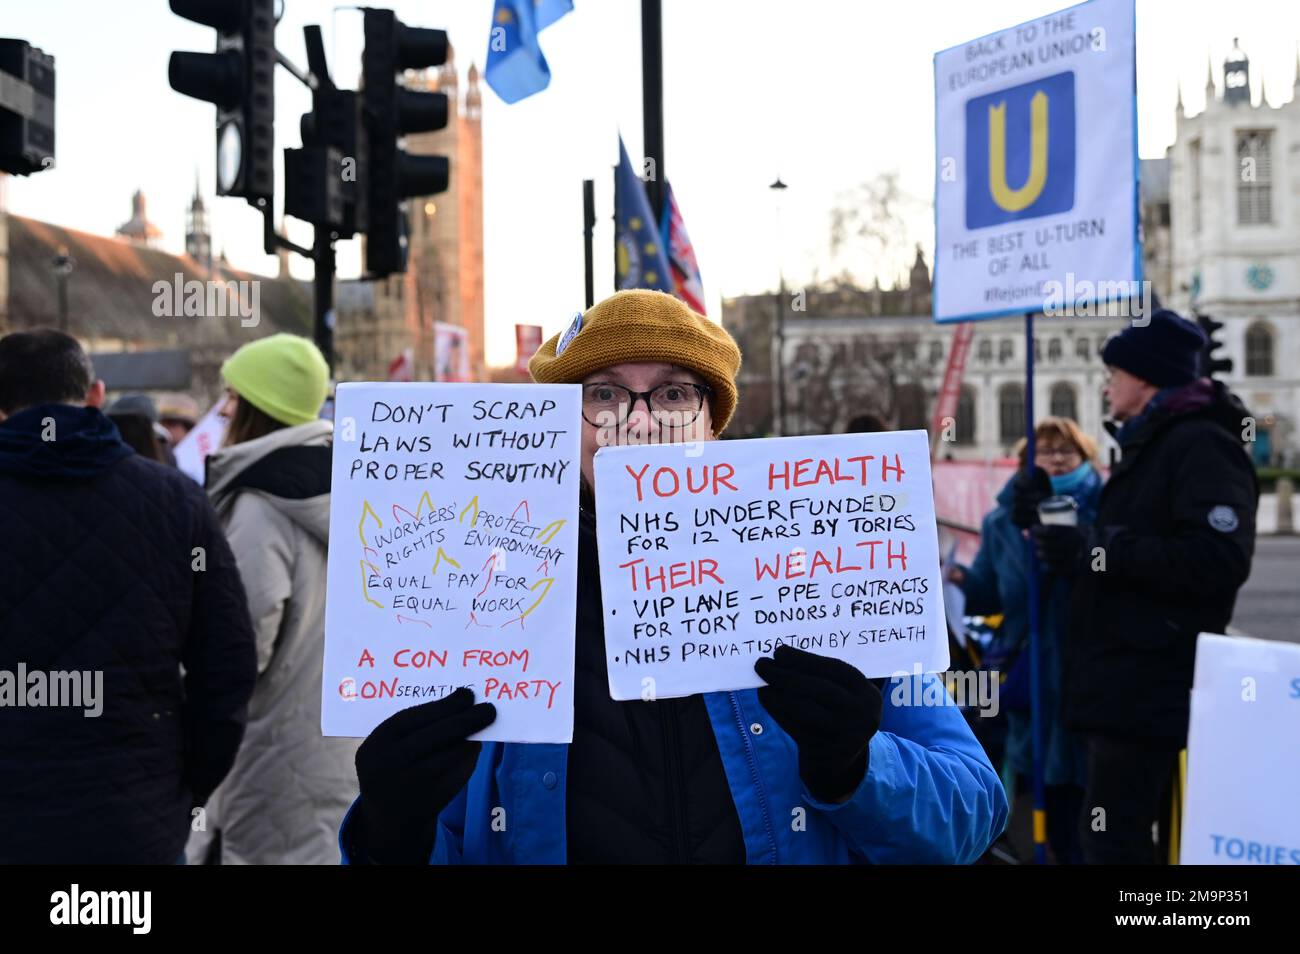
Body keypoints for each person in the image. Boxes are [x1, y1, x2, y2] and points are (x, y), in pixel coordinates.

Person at [341, 289, 1009, 865]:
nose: (636, 420)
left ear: (711, 424)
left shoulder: (827, 569)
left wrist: (860, 769)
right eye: (601, 393)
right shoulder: (480, 598)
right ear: (555, 427)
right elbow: (452, 841)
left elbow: (973, 811)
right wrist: (391, 834)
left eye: (672, 393)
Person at [0, 329, 257, 864]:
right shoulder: (174, 499)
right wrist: (183, 783)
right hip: (135, 817)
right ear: (95, 394)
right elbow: (227, 665)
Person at [1015, 310, 1257, 865]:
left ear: (1145, 378)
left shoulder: (1200, 446)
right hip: (1120, 680)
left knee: (1114, 842)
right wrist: (1047, 522)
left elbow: (1217, 557)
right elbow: (1122, 545)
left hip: (1150, 679)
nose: (1105, 384)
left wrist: (1096, 550)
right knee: (1106, 833)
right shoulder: (1151, 444)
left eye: (1113, 372)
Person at [196, 333, 358, 864]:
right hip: (342, 745)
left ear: (258, 410)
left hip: (272, 751)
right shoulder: (353, 488)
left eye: (234, 396)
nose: (223, 407)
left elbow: (238, 648)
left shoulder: (257, 505)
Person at [950, 417, 1102, 864]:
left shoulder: (1102, 510)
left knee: (1087, 796)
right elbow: (989, 593)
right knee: (1032, 787)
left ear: (1085, 457)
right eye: (1045, 452)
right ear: (1024, 463)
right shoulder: (1002, 521)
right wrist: (957, 578)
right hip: (1027, 675)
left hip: (1084, 675)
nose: (1055, 459)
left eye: (1065, 452)